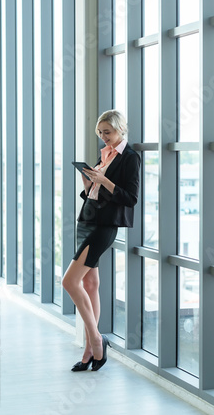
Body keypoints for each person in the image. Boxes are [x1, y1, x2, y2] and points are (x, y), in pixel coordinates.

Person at [62, 110, 140, 372]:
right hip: (87, 219)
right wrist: (89, 183)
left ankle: (97, 340)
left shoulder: (130, 157)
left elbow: (130, 198)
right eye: (100, 133)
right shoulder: (105, 154)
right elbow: (95, 194)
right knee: (90, 283)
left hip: (103, 226)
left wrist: (104, 180)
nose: (104, 137)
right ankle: (89, 351)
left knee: (69, 281)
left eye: (107, 132)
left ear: (120, 129)